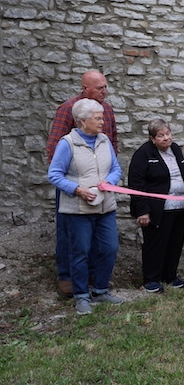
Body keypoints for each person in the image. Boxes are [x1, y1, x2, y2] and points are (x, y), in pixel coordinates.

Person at [47, 98, 123, 315]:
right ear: (82, 121)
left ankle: (100, 290)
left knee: (109, 248)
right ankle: (81, 296)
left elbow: (116, 168)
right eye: (98, 118)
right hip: (78, 209)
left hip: (105, 206)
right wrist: (77, 190)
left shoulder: (104, 140)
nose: (103, 122)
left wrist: (110, 181)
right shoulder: (67, 143)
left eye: (102, 117)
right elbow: (54, 175)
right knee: (80, 252)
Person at [128, 119, 184, 293]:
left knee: (175, 243)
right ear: (152, 138)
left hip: (180, 206)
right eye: (161, 135)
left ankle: (170, 276)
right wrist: (142, 211)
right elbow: (136, 184)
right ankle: (151, 280)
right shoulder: (144, 154)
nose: (166, 138)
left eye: (168, 134)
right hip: (158, 209)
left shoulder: (176, 150)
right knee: (155, 245)